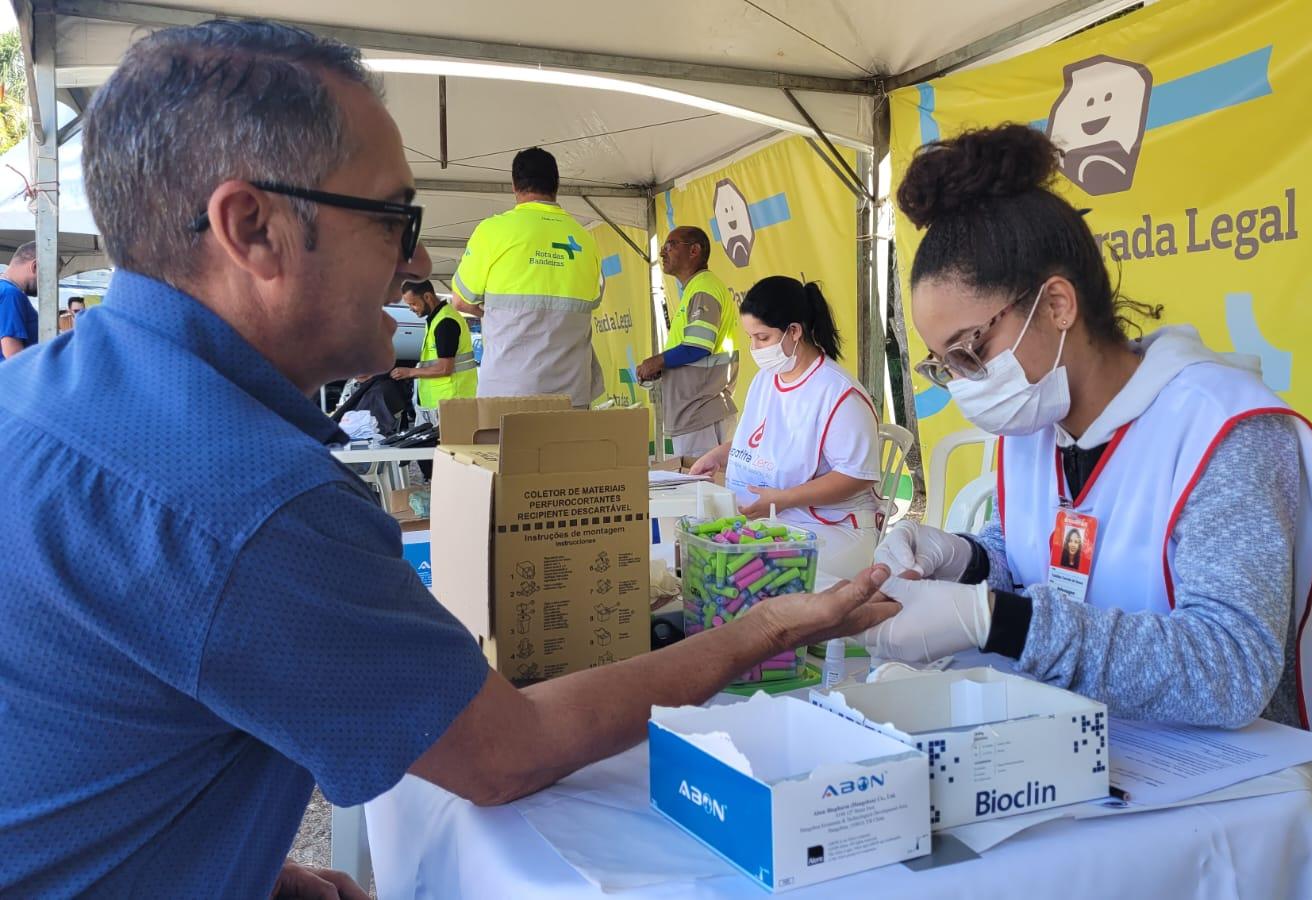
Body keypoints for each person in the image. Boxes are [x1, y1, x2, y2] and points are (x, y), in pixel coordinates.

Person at [0, 21, 897, 898]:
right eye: (396, 218)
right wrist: (764, 629)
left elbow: (81, 732)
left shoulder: (36, 400)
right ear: (252, 227)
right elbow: (506, 754)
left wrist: (225, 864)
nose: (420, 260)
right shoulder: (252, 499)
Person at [865, 124, 1312, 734]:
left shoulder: (1222, 429)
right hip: (1076, 741)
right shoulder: (1035, 423)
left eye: (972, 350)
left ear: (1057, 304)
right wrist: (964, 562)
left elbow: (1233, 668)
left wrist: (996, 620)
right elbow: (1036, 562)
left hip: (1222, 778)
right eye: (945, 365)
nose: (964, 382)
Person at [689, 276, 881, 576]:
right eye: (750, 337)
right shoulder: (765, 380)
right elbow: (760, 441)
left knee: (741, 572)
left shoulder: (837, 393)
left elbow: (857, 476)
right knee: (701, 555)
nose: (754, 348)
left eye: (762, 338)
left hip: (831, 527)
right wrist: (718, 455)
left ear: (794, 331)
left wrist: (783, 500)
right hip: (773, 521)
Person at [451, 147, 604, 406]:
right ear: (557, 184)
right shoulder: (584, 240)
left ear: (514, 185)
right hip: (571, 394)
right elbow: (594, 298)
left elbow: (460, 300)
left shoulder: (494, 231)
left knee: (505, 448)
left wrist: (487, 312)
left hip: (507, 391)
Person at [635, 226, 738, 457]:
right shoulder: (695, 289)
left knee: (704, 485)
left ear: (694, 251)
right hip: (697, 411)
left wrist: (657, 361)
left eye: (670, 245)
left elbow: (697, 346)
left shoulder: (703, 289)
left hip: (701, 412)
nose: (663, 252)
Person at [391, 277, 477, 423]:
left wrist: (410, 372)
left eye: (413, 303)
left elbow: (445, 368)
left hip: (451, 403)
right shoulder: (436, 319)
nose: (411, 309)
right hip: (441, 403)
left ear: (427, 297)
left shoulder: (445, 323)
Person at [0, 241, 38, 358]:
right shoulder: (11, 294)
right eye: (52, 275)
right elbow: (13, 353)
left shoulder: (4, 289)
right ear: (35, 266)